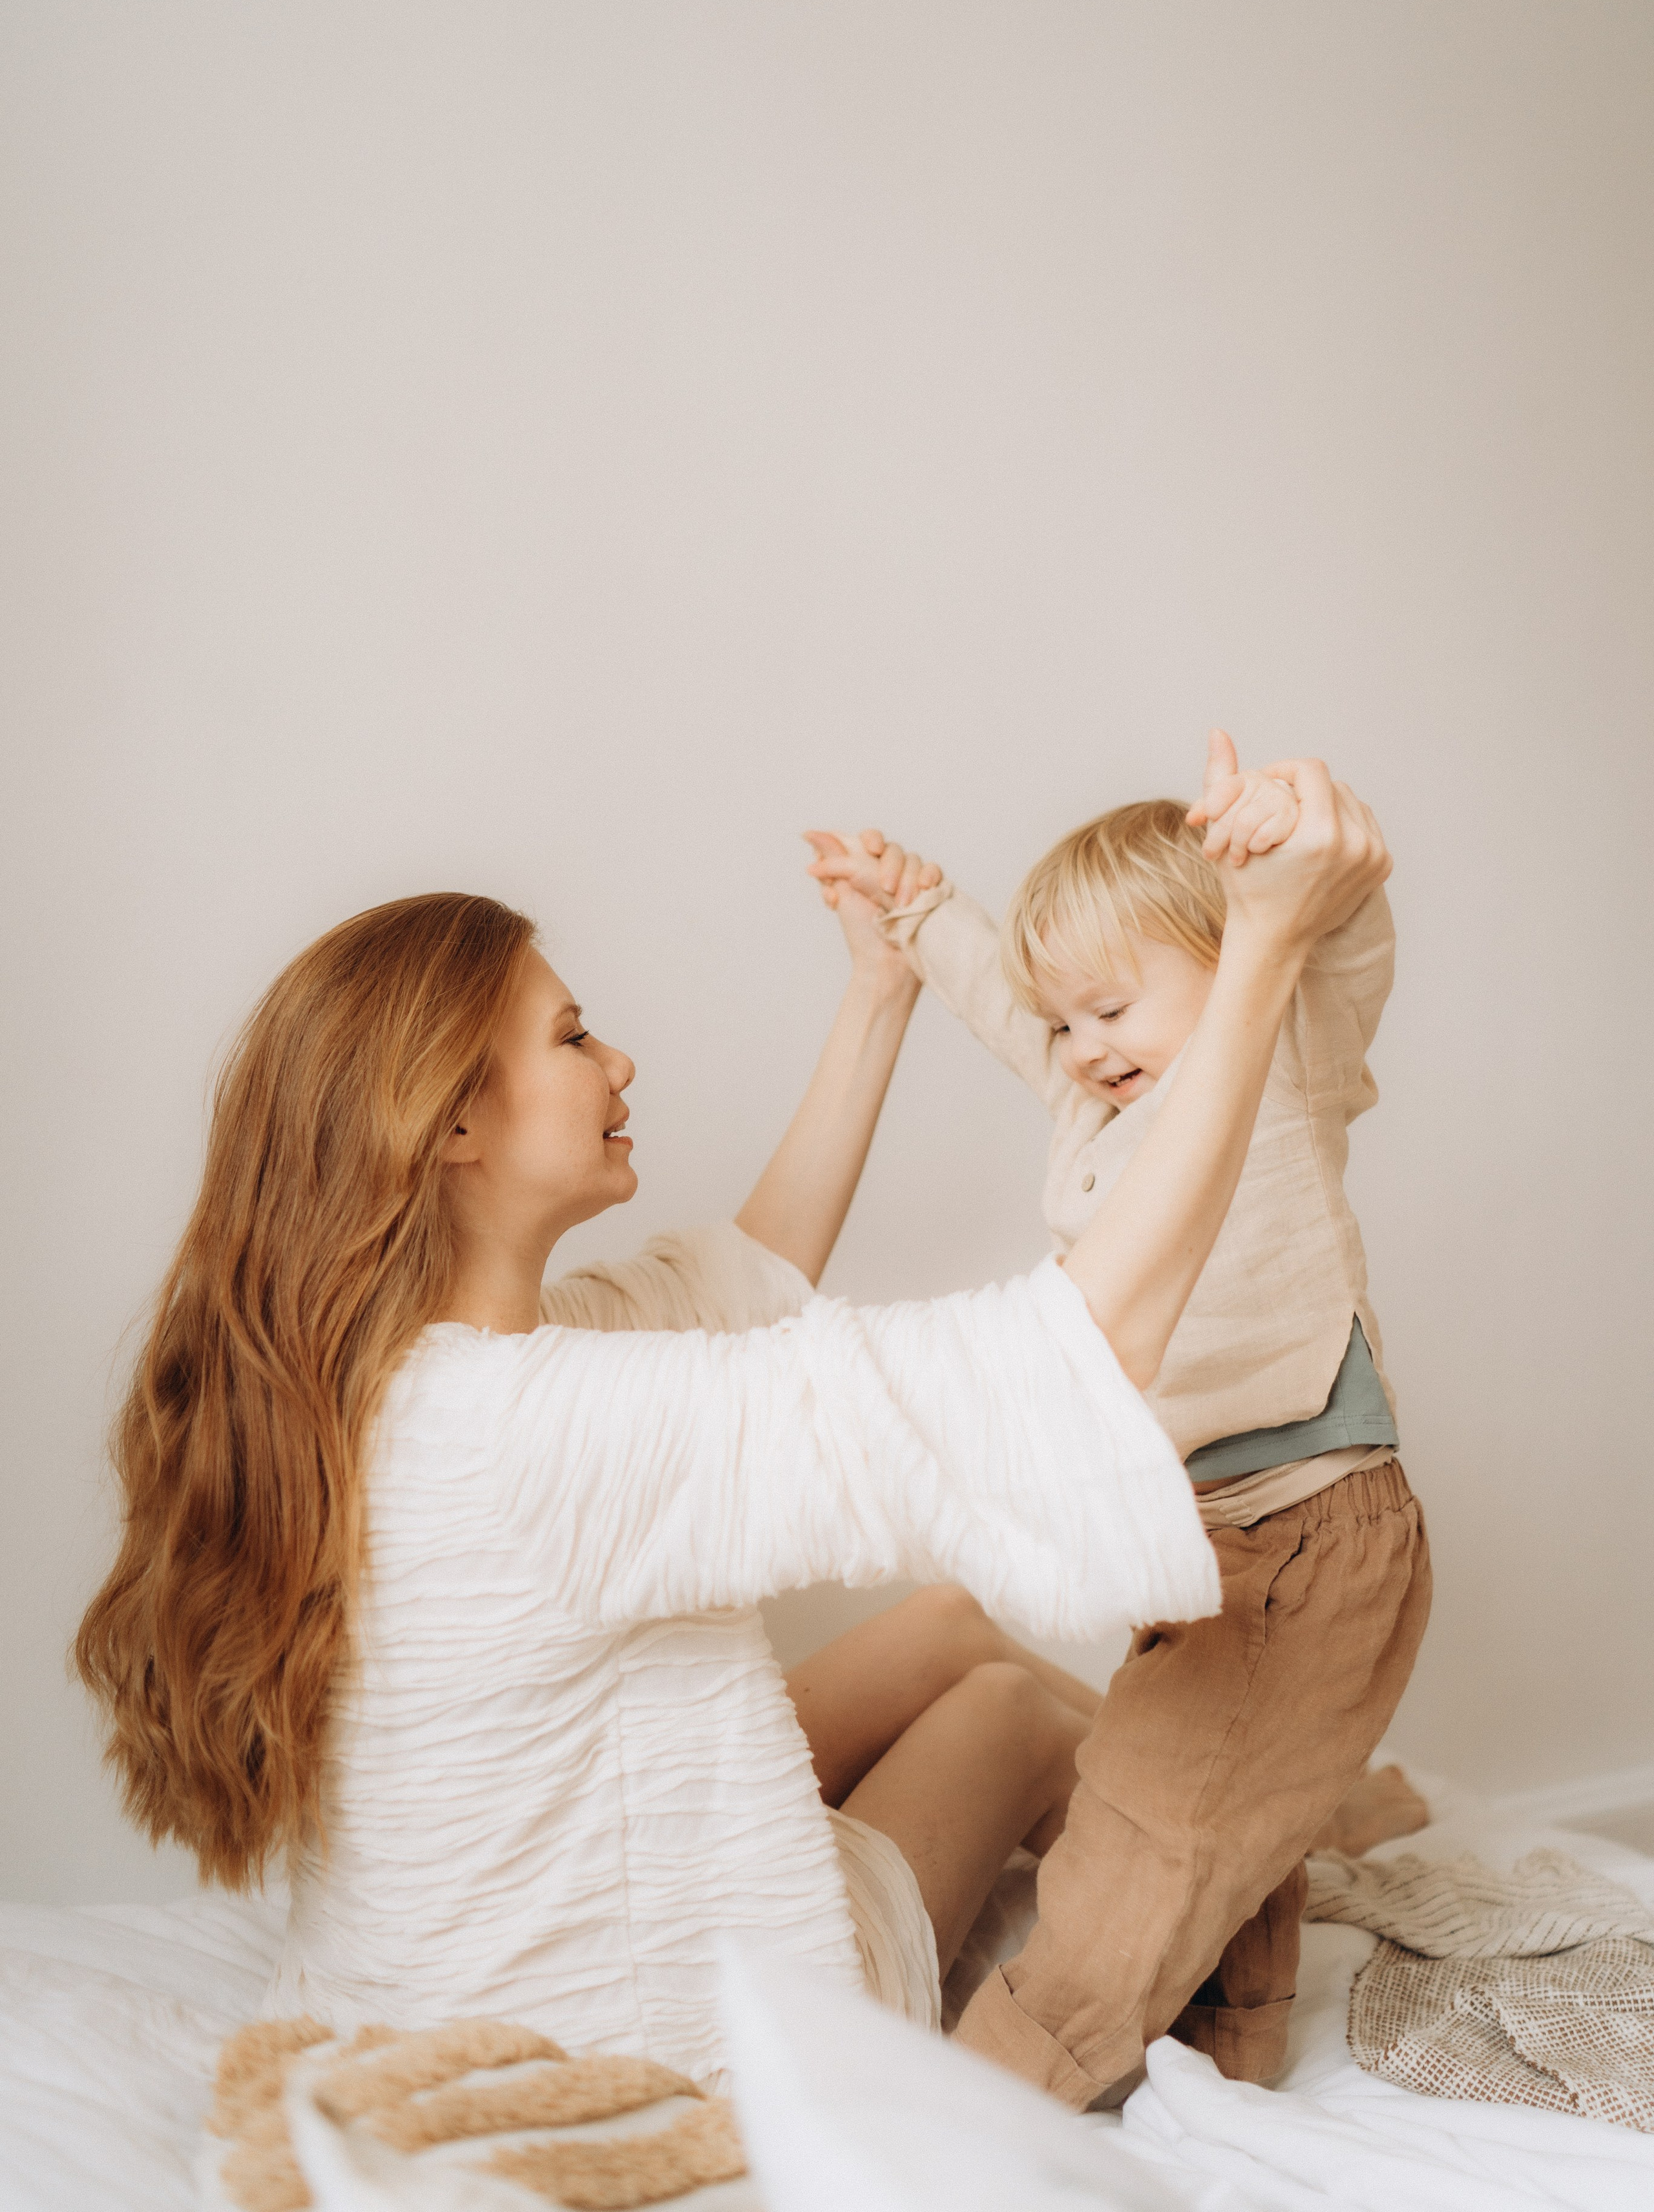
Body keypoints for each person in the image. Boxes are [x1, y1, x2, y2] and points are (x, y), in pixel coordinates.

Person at [75, 748, 1388, 2094]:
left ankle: (1264, 1805)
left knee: (943, 1621)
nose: (617, 1058)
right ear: (454, 1122)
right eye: (574, 1035)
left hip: (433, 1972)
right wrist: (1258, 964)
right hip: (657, 2036)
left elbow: (742, 1282)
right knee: (1006, 1709)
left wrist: (879, 990)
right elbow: (1069, 1355)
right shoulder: (529, 1432)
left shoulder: (415, 1371)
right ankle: (1243, 1834)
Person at [806, 732, 1431, 2105]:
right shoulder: (1094, 1107)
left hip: (1305, 1526)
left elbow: (1340, 949)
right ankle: (1227, 2064)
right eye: (1068, 1021)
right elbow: (1003, 1006)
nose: (1084, 1049)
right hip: (1183, 1530)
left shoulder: (1279, 1046)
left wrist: (1288, 859)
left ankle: (980, 2116)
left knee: (1136, 1847)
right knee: (1216, 1813)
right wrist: (915, 910)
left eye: (1113, 1009)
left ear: (1237, 954)